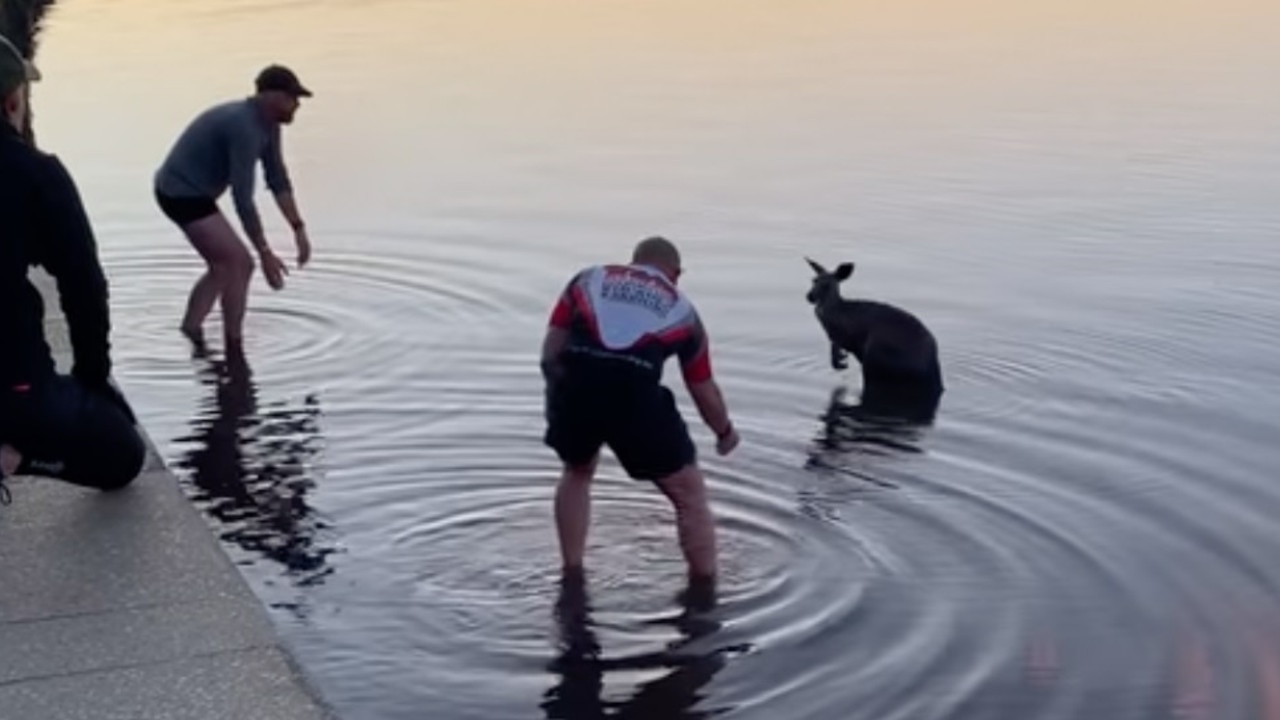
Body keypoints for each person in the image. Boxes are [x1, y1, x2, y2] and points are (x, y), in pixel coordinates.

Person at [540, 236, 740, 585]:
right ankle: (705, 595)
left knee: (577, 471)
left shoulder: (587, 280)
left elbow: (551, 351)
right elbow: (702, 389)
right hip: (634, 396)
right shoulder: (683, 311)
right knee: (689, 495)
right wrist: (724, 432)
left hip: (576, 384)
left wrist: (562, 396)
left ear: (632, 262)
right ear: (676, 274)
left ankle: (572, 573)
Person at [0, 33, 146, 502]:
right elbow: (83, 284)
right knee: (122, 453)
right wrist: (93, 376)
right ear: (13, 102)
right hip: (12, 385)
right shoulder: (35, 174)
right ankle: (13, 458)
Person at [153, 64, 314, 352]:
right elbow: (242, 198)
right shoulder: (244, 127)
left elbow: (277, 178)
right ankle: (234, 346)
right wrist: (264, 252)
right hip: (180, 193)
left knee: (223, 266)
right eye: (292, 97)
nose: (297, 105)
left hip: (195, 192)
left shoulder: (269, 124)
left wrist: (298, 229)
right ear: (272, 96)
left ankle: (191, 331)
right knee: (241, 262)